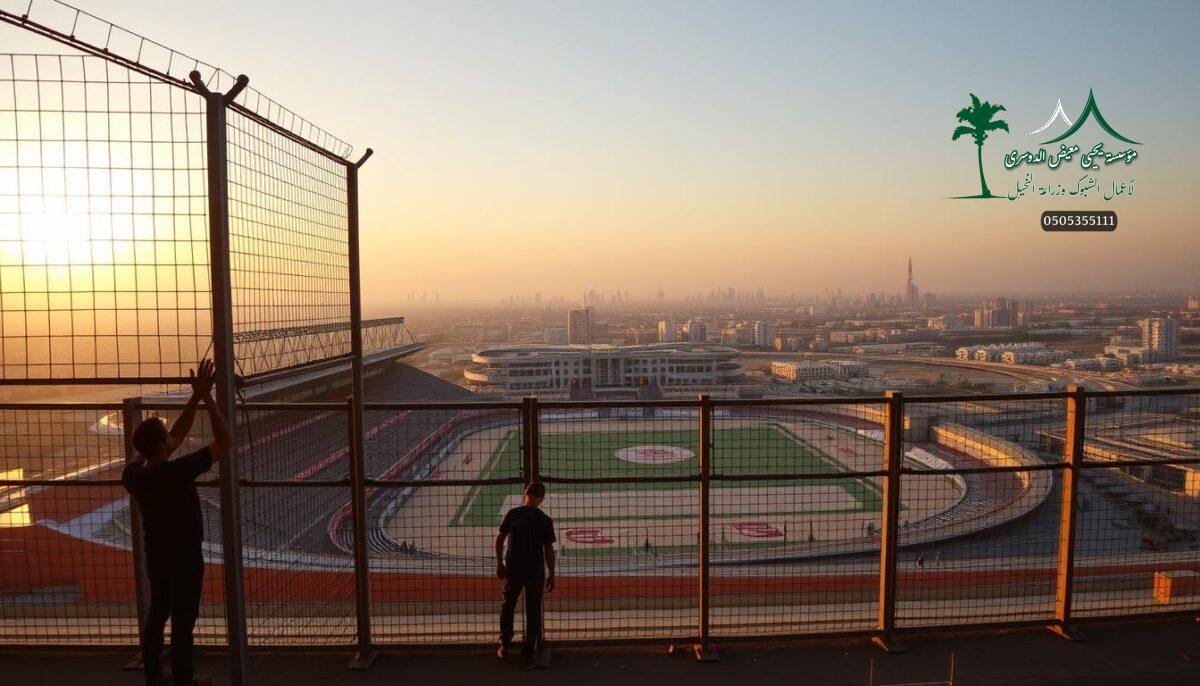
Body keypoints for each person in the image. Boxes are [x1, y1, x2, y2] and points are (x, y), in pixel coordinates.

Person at [123, 359, 231, 686]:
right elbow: (225, 441)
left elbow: (173, 438)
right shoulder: (177, 471)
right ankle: (184, 679)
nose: (172, 439)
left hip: (157, 555)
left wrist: (195, 398)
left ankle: (155, 675)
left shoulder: (134, 475)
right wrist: (208, 398)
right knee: (184, 622)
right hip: (185, 557)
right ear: (160, 446)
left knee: (158, 614)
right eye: (166, 439)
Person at [495, 482, 556, 669]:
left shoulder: (513, 514)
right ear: (541, 498)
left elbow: (499, 539)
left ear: (526, 493)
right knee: (533, 611)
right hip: (535, 569)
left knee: (508, 605)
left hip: (514, 568)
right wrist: (552, 574)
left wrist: (499, 563)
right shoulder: (545, 520)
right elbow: (549, 550)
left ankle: (505, 645)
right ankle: (528, 654)